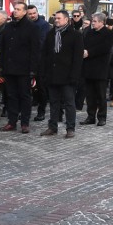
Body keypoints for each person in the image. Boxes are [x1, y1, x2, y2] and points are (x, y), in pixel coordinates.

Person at [39, 10, 83, 139]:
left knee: (69, 103)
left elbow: (77, 58)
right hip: (52, 75)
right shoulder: (51, 34)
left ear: (66, 20)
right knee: (53, 102)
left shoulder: (75, 35)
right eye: (55, 18)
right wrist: (43, 73)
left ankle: (70, 128)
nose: (56, 20)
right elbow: (45, 54)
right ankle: (52, 126)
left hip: (68, 76)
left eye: (58, 18)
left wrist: (74, 76)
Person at [0, 1, 40, 133]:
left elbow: (35, 50)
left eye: (18, 9)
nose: (15, 11)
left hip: (24, 69)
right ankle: (12, 121)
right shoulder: (9, 27)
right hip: (9, 68)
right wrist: (1, 66)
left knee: (25, 96)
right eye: (14, 9)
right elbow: (3, 48)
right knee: (11, 96)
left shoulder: (32, 28)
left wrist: (33, 70)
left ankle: (25, 123)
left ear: (24, 12)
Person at [81, 13, 113, 126]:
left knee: (100, 95)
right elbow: (83, 44)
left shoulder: (108, 34)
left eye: (94, 21)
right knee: (90, 95)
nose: (92, 23)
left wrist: (89, 52)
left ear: (101, 22)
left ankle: (102, 117)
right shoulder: (89, 32)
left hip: (101, 68)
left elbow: (104, 48)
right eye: (92, 21)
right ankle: (90, 116)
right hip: (88, 67)